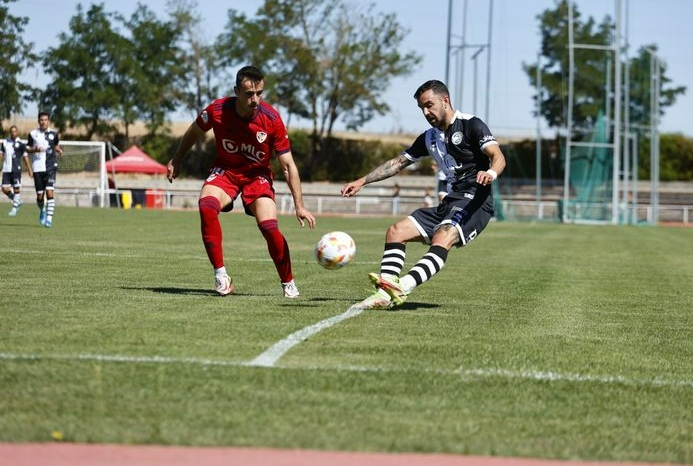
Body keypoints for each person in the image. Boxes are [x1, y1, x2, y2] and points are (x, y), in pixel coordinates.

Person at [341, 79, 506, 309]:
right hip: (450, 201)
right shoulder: (428, 138)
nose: (426, 112)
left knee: (444, 236)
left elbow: (497, 155)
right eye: (422, 108)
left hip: (475, 201)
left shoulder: (471, 125)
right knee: (396, 231)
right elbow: (398, 163)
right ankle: (384, 293)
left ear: (445, 100)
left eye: (429, 105)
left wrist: (490, 173)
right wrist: (363, 180)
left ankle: (404, 286)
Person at [167, 65, 317, 298]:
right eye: (249, 94)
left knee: (269, 227)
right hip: (226, 172)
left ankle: (288, 284)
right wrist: (176, 160)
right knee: (206, 206)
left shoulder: (271, 119)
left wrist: (299, 204)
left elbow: (287, 165)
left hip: (257, 176)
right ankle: (221, 276)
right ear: (237, 90)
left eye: (259, 93)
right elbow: (194, 132)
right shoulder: (217, 110)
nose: (255, 99)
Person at [26, 112, 62, 228]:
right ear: (38, 121)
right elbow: (27, 148)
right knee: (40, 196)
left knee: (50, 192)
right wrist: (34, 150)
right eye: (41, 120)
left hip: (51, 166)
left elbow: (55, 145)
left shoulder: (54, 134)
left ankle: (49, 220)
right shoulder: (33, 134)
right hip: (38, 167)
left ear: (48, 121)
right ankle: (42, 210)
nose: (43, 122)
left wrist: (59, 150)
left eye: (45, 120)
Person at [1, 125, 33, 216]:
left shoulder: (21, 144)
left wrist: (29, 169)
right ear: (10, 132)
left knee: (16, 189)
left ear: (17, 132)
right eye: (11, 131)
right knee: (4, 189)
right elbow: (1, 155)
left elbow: (25, 157)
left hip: (16, 169)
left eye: (15, 131)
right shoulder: (5, 142)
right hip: (6, 169)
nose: (13, 133)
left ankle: (14, 209)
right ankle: (17, 201)